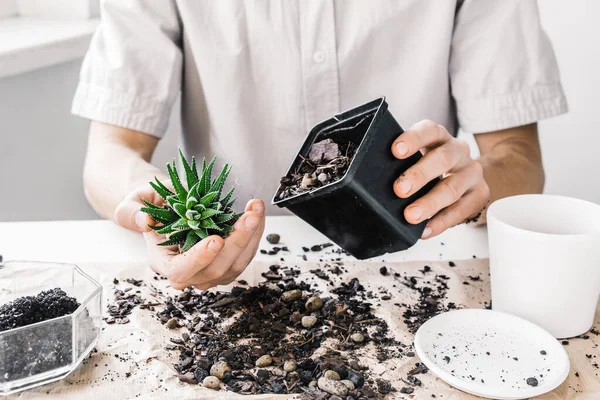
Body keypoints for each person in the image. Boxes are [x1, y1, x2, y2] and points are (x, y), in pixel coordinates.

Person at [73, 1, 567, 290]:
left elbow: (518, 157)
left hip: (419, 258)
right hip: (227, 256)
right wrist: (157, 210)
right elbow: (109, 154)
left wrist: (477, 184)